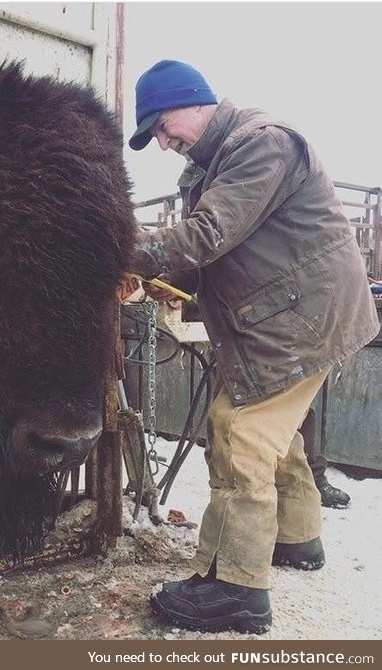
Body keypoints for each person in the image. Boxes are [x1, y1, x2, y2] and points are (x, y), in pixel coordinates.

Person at [127, 60, 378, 634]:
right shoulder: (208, 166)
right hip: (283, 316)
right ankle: (296, 537)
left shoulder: (261, 145)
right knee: (273, 434)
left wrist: (113, 245)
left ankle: (235, 588)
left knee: (239, 432)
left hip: (305, 319)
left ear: (192, 102)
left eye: (163, 127)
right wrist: (149, 274)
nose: (165, 144)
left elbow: (207, 236)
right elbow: (203, 260)